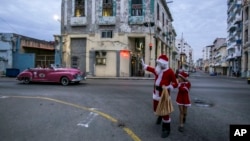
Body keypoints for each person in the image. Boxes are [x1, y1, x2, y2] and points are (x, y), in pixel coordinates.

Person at [142, 54, 178, 138]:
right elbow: (151, 69)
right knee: (155, 109)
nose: (159, 65)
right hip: (156, 94)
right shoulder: (158, 70)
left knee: (165, 113)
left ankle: (166, 129)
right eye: (158, 63)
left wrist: (169, 87)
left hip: (164, 95)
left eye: (160, 64)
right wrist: (144, 66)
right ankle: (160, 116)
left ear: (165, 64)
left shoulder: (170, 71)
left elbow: (175, 83)